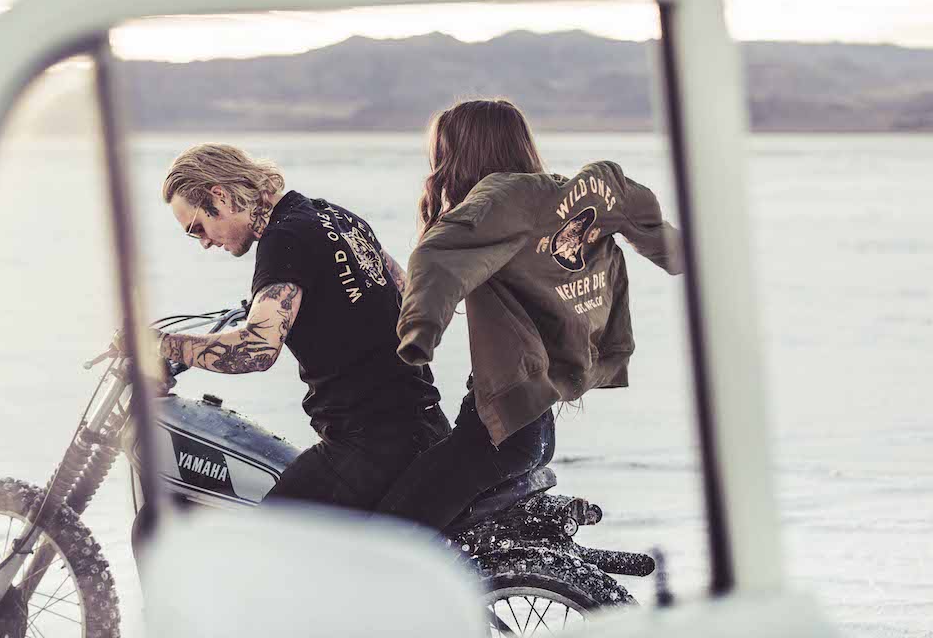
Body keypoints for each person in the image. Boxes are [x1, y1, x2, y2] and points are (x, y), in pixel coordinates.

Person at [377, 99, 683, 530]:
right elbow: (636, 212)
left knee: (389, 530)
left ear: (462, 155)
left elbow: (435, 256)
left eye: (443, 153)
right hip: (533, 428)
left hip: (501, 434)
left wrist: (417, 335)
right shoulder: (561, 203)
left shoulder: (502, 201)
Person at [137, 143, 450, 511]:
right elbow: (407, 293)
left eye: (197, 228)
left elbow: (257, 350)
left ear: (219, 196)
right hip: (424, 422)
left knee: (269, 538)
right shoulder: (336, 217)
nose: (204, 242)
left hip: (369, 445)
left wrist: (159, 344)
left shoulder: (283, 239)